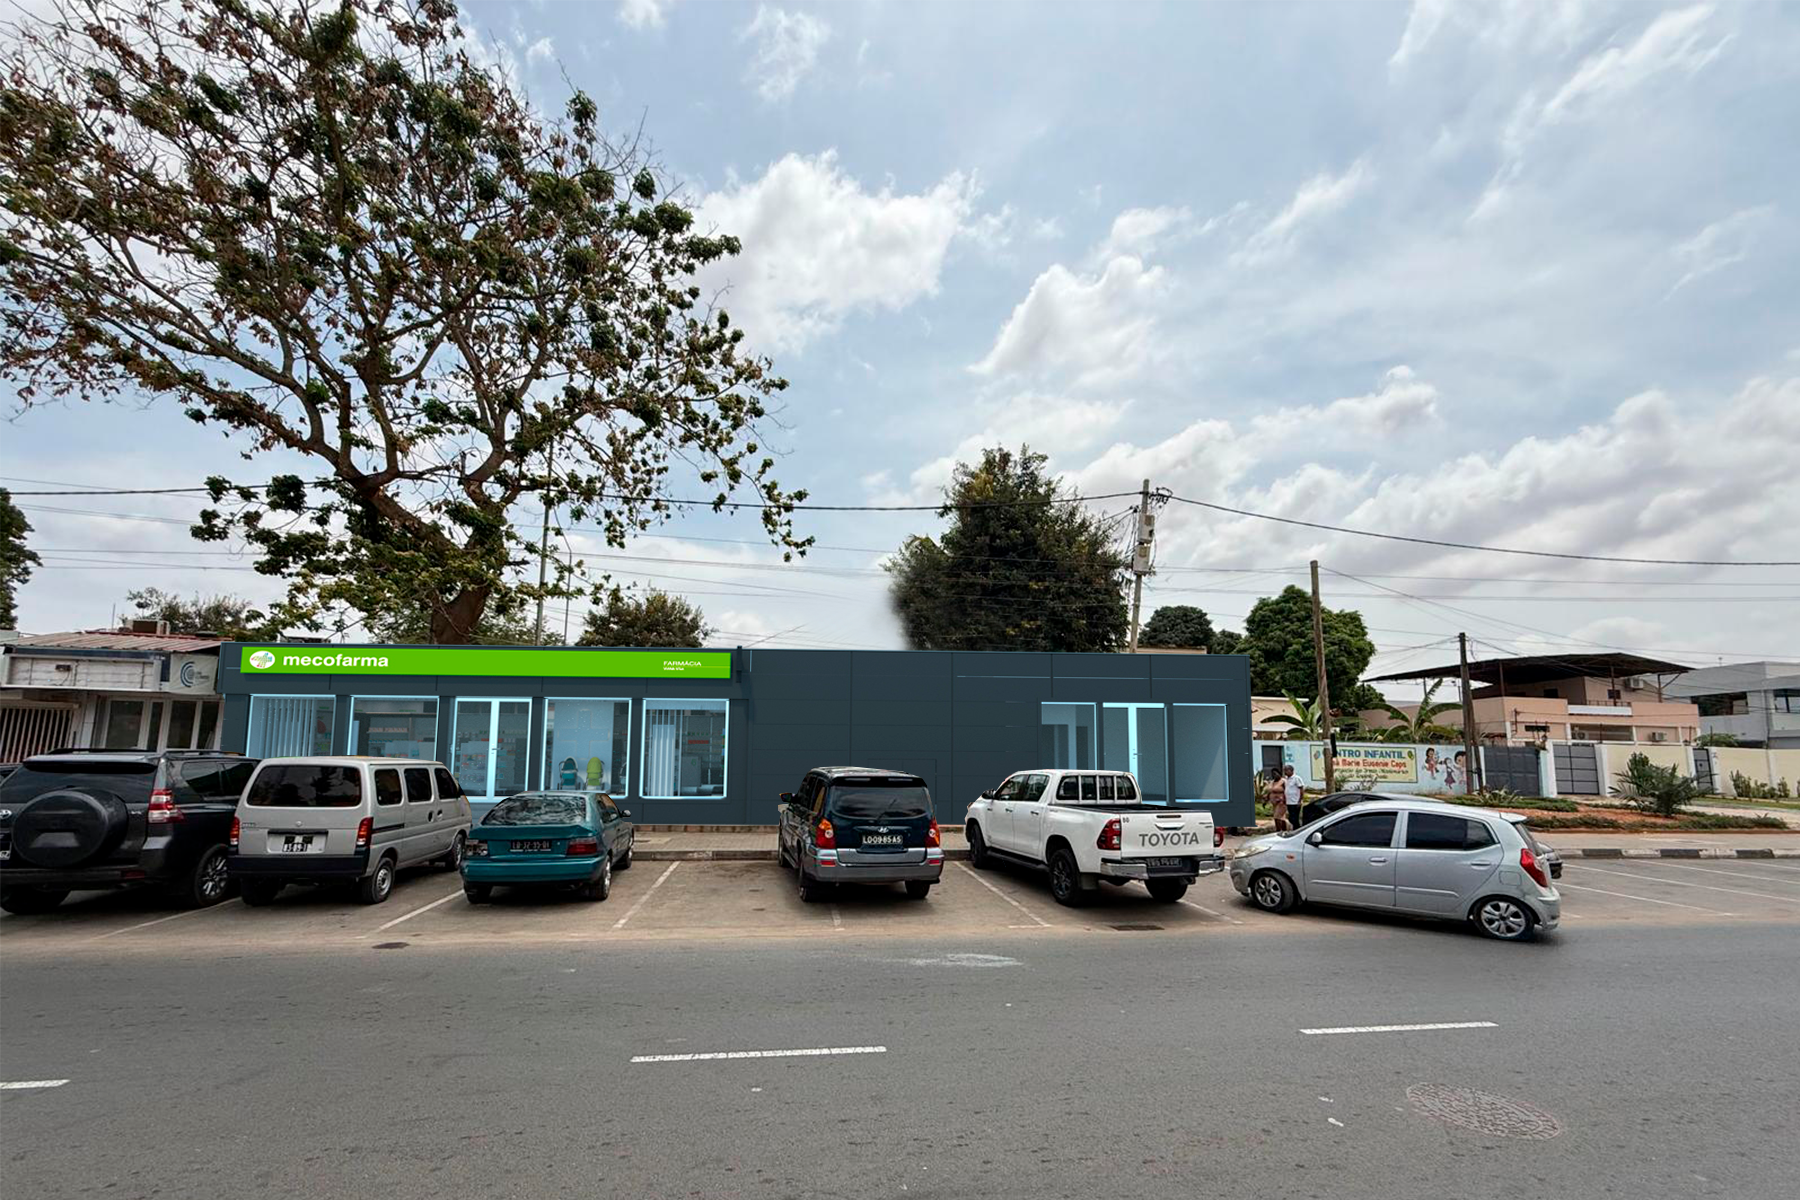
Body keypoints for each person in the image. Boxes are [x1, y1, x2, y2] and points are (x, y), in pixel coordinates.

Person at [1264, 766, 1289, 832]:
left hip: (1281, 802)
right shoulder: (1272, 782)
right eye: (1273, 774)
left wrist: (1285, 800)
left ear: (1279, 773)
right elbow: (1270, 791)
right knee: (1282, 817)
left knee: (1277, 816)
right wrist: (1266, 800)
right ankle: (1284, 831)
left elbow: (1287, 791)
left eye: (1275, 773)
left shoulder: (1283, 781)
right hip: (1274, 802)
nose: (1274, 775)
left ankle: (1278, 831)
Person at [1282, 764, 1305, 830]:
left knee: (1294, 818)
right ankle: (1296, 829)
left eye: (1286, 770)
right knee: (1291, 818)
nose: (1285, 772)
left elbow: (1301, 789)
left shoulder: (1296, 778)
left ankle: (1298, 829)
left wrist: (1300, 800)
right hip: (1289, 802)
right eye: (1284, 770)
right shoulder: (1286, 779)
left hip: (1295, 802)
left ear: (1291, 770)